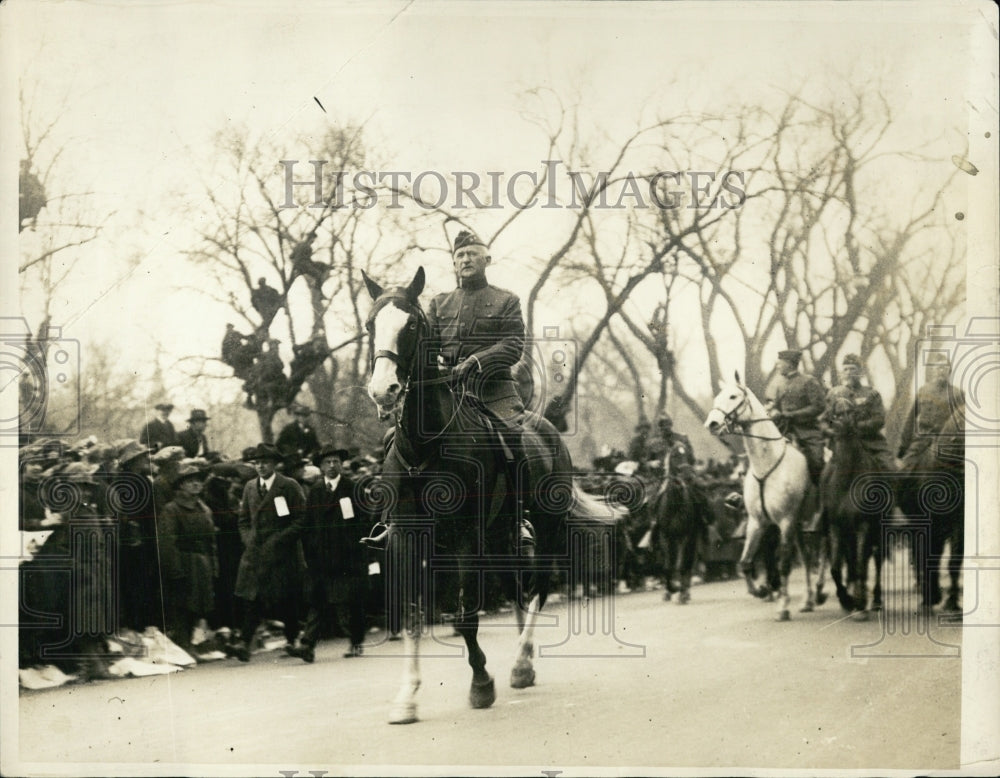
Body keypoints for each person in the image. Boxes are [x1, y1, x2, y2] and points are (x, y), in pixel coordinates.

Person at [426, 229, 525, 422]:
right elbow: (426, 347)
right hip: (448, 390)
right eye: (460, 255)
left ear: (487, 260)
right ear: (454, 264)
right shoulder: (439, 303)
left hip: (495, 392)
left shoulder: (506, 300)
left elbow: (513, 345)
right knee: (397, 437)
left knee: (513, 434)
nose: (466, 259)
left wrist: (476, 361)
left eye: (472, 254)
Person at [290, 447, 369, 662]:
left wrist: (357, 548)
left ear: (342, 464)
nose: (332, 466)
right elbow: (308, 523)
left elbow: (364, 520)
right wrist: (310, 550)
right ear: (321, 466)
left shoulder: (352, 488)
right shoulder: (316, 491)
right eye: (327, 462)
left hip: (347, 558)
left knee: (347, 604)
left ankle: (356, 641)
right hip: (322, 558)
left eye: (336, 461)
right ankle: (307, 645)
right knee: (317, 602)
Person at [231, 443, 306, 662]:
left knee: (286, 599)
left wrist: (280, 539)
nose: (261, 467)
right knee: (251, 598)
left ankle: (292, 640)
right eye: (257, 463)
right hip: (255, 553)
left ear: (274, 464)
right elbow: (243, 520)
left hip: (283, 554)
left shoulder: (289, 486)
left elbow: (301, 519)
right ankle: (244, 644)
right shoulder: (250, 487)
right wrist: (248, 539)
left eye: (265, 462)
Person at [159, 462, 218, 655]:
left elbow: (212, 540)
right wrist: (175, 569)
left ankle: (193, 641)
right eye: (189, 481)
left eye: (198, 481)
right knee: (183, 605)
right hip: (185, 561)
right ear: (180, 486)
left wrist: (214, 564)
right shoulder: (172, 509)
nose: (195, 485)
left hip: (202, 562)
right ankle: (184, 644)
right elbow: (167, 541)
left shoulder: (204, 508)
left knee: (200, 604)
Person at [820, 353, 895, 472]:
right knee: (824, 478)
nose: (849, 372)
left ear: (860, 372)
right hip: (841, 446)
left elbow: (878, 420)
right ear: (842, 373)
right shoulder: (834, 394)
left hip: (869, 443)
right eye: (846, 369)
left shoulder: (871, 394)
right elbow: (824, 420)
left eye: (852, 369)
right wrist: (830, 431)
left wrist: (855, 427)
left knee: (891, 469)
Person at [764, 349, 826, 486]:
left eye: (780, 363)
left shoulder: (808, 381)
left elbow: (818, 406)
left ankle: (823, 498)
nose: (778, 366)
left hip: (807, 431)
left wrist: (791, 415)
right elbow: (777, 408)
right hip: (784, 430)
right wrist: (771, 411)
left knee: (817, 462)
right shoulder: (780, 385)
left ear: (789, 364)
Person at [897, 352, 965, 472]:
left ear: (949, 371)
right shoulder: (924, 390)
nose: (941, 370)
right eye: (938, 367)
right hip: (922, 441)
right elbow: (910, 420)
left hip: (947, 443)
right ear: (934, 370)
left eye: (945, 367)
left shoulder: (958, 394)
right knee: (903, 472)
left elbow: (962, 423)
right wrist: (903, 447)